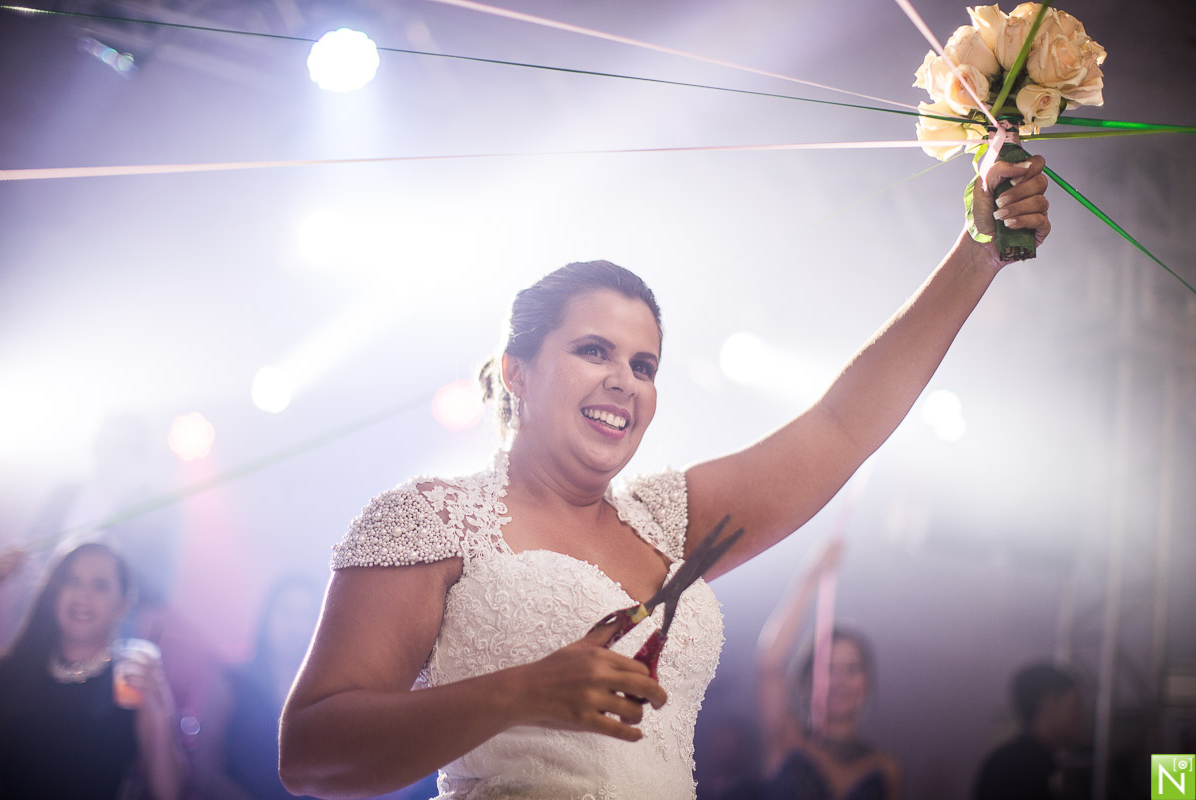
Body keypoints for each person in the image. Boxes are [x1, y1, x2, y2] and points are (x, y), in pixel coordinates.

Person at [278, 155, 1051, 800]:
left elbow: (840, 428)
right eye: (594, 352)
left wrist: (977, 252)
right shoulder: (431, 519)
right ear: (516, 371)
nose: (624, 380)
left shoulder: (669, 521)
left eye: (643, 365)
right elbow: (310, 752)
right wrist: (521, 691)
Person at [0, 539, 186, 799]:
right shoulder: (15, 669)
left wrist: (159, 708)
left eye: (100, 585)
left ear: (123, 605)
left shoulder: (130, 683)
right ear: (55, 594)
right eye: (72, 582)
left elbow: (169, 793)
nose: (82, 596)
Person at [756, 540, 900, 800]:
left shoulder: (884, 768)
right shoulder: (788, 741)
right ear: (807, 680)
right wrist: (810, 575)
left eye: (852, 668)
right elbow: (770, 664)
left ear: (867, 682)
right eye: (829, 668)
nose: (840, 680)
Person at [191, 576, 324, 800]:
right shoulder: (233, 682)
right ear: (267, 617)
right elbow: (204, 768)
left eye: (307, 616)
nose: (297, 627)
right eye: (287, 613)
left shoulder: (323, 694)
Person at [972, 663, 1083, 800]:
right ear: (1050, 703)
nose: (1080, 716)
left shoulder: (1011, 762)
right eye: (1075, 705)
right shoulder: (1019, 769)